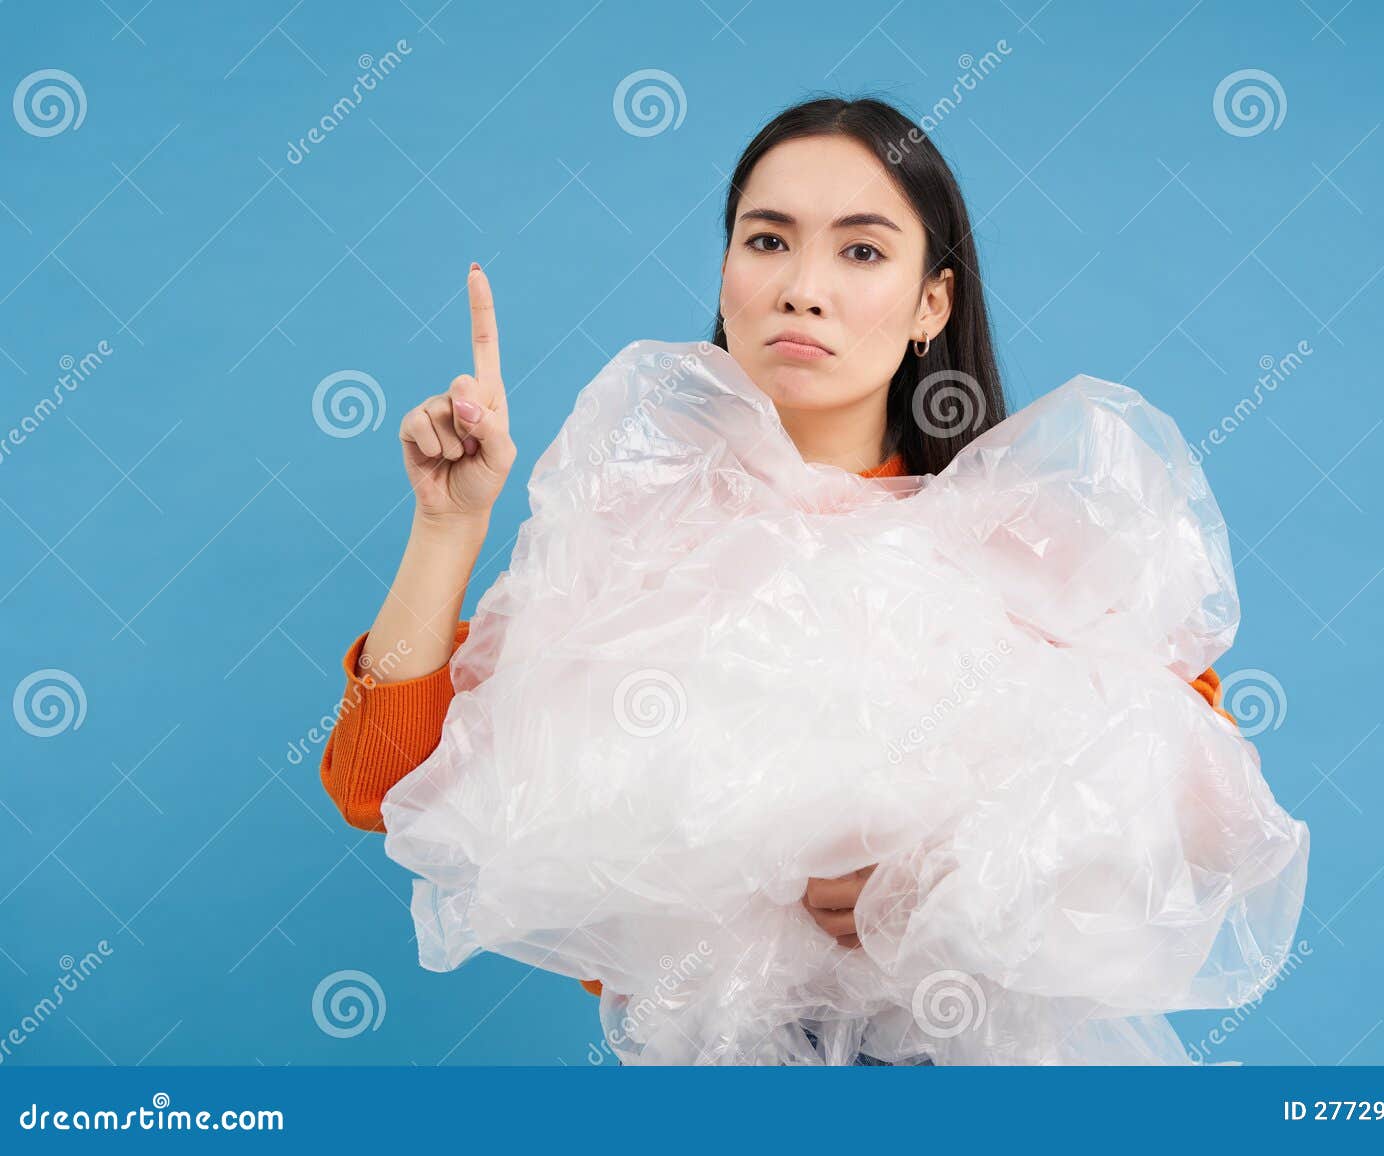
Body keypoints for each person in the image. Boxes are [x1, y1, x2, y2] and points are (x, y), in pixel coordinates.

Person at [317, 95, 1237, 1038]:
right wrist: (448, 527)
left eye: (862, 251)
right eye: (766, 241)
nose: (803, 286)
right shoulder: (641, 534)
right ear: (726, 274)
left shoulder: (1024, 537)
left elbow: (1201, 814)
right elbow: (389, 786)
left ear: (933, 302)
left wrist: (962, 875)